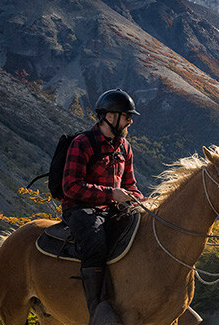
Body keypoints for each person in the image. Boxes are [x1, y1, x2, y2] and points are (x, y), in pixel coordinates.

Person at [62, 89, 145, 325]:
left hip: (111, 208)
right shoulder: (82, 143)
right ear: (109, 116)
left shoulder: (125, 147)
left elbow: (130, 185)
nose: (130, 121)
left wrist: (144, 203)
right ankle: (97, 310)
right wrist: (111, 194)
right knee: (96, 240)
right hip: (81, 209)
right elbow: (71, 187)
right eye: (126, 116)